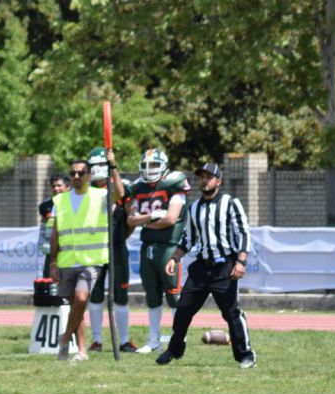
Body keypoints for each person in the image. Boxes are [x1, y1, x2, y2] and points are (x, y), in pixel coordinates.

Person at [156, 162, 257, 368]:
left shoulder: (230, 203)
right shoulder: (194, 208)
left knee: (231, 313)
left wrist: (241, 261)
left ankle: (246, 355)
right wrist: (174, 258)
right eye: (202, 177)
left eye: (209, 177)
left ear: (218, 181)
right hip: (201, 267)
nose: (204, 181)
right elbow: (188, 238)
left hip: (224, 267)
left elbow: (243, 233)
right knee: (183, 309)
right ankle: (175, 349)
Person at [47, 151, 122, 361]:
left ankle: (64, 339)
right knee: (76, 308)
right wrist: (53, 262)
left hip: (91, 261)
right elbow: (55, 234)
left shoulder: (100, 195)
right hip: (67, 261)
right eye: (73, 173)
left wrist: (113, 167)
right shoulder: (60, 200)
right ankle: (82, 351)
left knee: (81, 299)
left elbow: (119, 193)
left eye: (81, 173)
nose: (77, 176)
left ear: (89, 175)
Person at [125, 148, 191, 353]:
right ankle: (153, 340)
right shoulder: (139, 187)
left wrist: (144, 222)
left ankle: (179, 337)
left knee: (173, 294)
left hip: (168, 247)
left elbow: (170, 219)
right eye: (146, 165)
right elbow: (131, 220)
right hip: (148, 248)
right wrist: (150, 218)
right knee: (152, 295)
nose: (149, 169)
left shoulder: (174, 185)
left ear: (163, 165)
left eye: (153, 164)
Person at [86, 148, 137, 353]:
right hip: (95, 248)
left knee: (121, 294)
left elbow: (124, 204)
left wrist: (121, 236)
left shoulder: (121, 186)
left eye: (99, 165)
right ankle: (96, 340)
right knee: (95, 294)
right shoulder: (86, 190)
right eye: (92, 166)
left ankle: (124, 340)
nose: (95, 170)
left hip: (116, 248)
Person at [37, 174, 70, 275]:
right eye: (53, 186)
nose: (56, 188)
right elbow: (50, 223)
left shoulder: (75, 202)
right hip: (53, 248)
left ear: (68, 187)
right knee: (49, 279)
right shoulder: (45, 205)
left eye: (59, 185)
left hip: (71, 247)